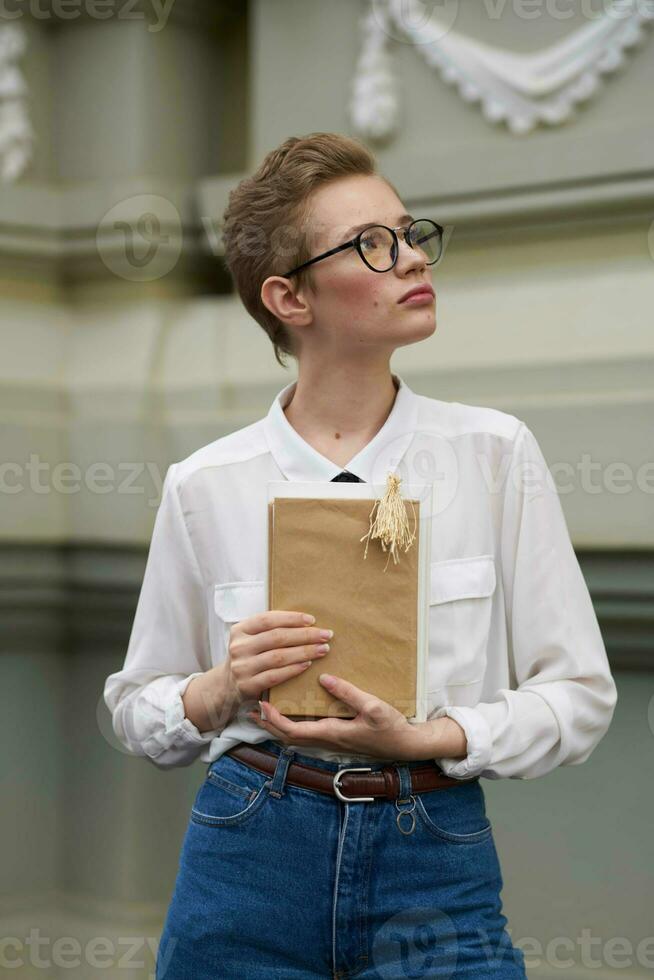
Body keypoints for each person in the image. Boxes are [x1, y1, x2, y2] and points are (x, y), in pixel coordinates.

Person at [103, 132, 618, 978]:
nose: (413, 258)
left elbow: (580, 697)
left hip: (435, 847)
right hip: (248, 853)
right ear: (290, 298)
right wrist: (217, 688)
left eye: (410, 233)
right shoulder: (206, 484)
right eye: (373, 245)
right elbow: (133, 707)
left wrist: (431, 737)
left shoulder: (494, 454)